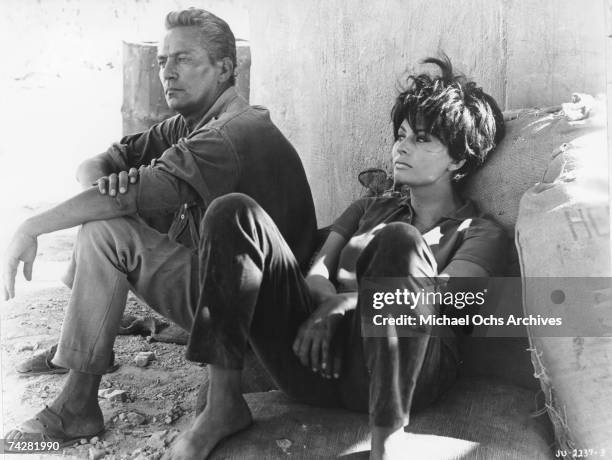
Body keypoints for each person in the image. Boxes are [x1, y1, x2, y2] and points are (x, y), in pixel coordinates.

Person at [158, 56, 508, 460]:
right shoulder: (367, 209)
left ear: (460, 159)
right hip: (316, 361)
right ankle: (222, 406)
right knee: (231, 210)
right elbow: (316, 274)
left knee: (400, 242)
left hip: (406, 379)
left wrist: (345, 304)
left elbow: (448, 302)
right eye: (402, 134)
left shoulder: (480, 231)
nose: (402, 146)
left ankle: (387, 439)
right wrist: (324, 307)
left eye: (422, 139)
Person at [2, 7, 316, 449]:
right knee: (103, 215)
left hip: (263, 326)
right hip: (232, 308)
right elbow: (104, 161)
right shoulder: (189, 123)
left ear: (225, 67)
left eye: (184, 59)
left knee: (103, 230)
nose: (168, 71)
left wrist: (32, 226)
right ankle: (78, 355)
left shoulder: (228, 135)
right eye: (163, 60)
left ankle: (76, 406)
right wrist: (105, 181)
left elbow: (129, 197)